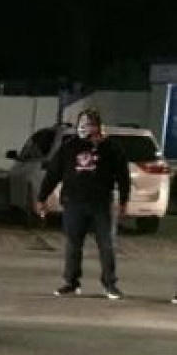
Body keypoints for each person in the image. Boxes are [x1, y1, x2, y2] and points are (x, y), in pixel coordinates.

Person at [37, 108, 130, 299]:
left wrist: (124, 200)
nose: (84, 128)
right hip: (74, 203)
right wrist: (42, 198)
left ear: (97, 126)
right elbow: (53, 173)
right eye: (81, 124)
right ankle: (71, 282)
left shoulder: (111, 148)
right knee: (73, 244)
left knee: (107, 245)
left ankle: (109, 284)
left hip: (101, 204)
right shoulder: (69, 147)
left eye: (88, 124)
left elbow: (123, 175)